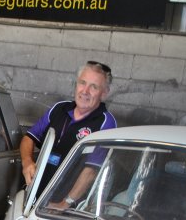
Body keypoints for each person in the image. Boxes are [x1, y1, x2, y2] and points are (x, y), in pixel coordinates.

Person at [19, 60, 116, 205]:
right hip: (34, 193)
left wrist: (65, 203)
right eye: (82, 83)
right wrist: (27, 162)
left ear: (104, 93)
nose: (85, 91)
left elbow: (91, 171)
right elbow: (29, 138)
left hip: (66, 206)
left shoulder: (106, 123)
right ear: (76, 85)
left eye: (94, 87)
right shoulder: (59, 109)